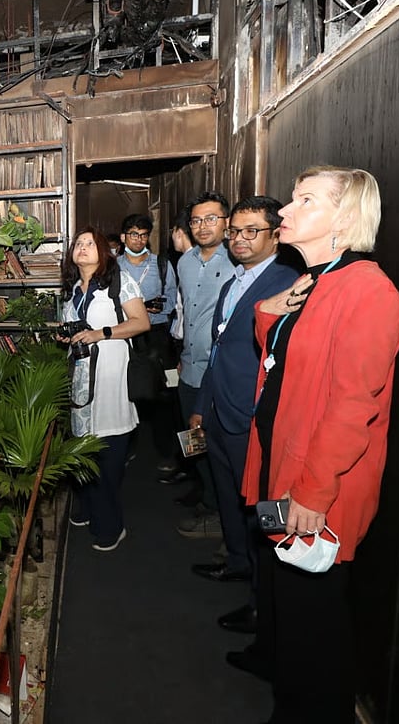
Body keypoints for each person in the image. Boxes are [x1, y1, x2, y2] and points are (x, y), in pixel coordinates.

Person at [231, 167, 399, 724]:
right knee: (290, 609)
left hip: (318, 488)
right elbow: (273, 343)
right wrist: (279, 303)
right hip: (280, 465)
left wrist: (313, 492)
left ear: (345, 217)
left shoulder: (368, 291)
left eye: (305, 200)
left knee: (316, 624)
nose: (285, 210)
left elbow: (354, 408)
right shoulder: (317, 280)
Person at [188, 198, 299, 635]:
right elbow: (219, 350)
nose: (239, 239)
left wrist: (258, 415)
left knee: (257, 509)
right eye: (235, 230)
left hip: (252, 419)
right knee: (228, 497)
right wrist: (200, 407)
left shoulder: (287, 283)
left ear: (276, 234)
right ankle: (236, 562)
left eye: (251, 231)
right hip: (218, 411)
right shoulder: (234, 280)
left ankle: (261, 603)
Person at [61, 226, 151, 551]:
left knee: (108, 460)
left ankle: (111, 525)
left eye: (90, 243)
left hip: (111, 379)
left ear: (103, 252)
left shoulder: (119, 282)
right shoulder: (73, 290)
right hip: (82, 381)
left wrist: (101, 333)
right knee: (83, 453)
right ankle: (89, 507)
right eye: (78, 243)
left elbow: (141, 322)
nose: (82, 247)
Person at [172, 193, 234, 539]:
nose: (202, 226)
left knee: (220, 448)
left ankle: (219, 517)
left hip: (220, 374)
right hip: (190, 367)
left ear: (227, 222)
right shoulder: (186, 262)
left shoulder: (238, 260)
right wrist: (182, 355)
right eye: (196, 220)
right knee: (194, 440)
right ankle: (207, 496)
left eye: (211, 219)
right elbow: (187, 314)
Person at [116, 213, 179, 470]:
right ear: (123, 237)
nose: (138, 239)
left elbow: (172, 299)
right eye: (133, 234)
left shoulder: (161, 264)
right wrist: (138, 308)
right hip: (125, 336)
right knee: (126, 392)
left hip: (157, 335)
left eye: (143, 234)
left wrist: (156, 310)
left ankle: (166, 453)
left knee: (163, 395)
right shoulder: (113, 265)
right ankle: (126, 450)